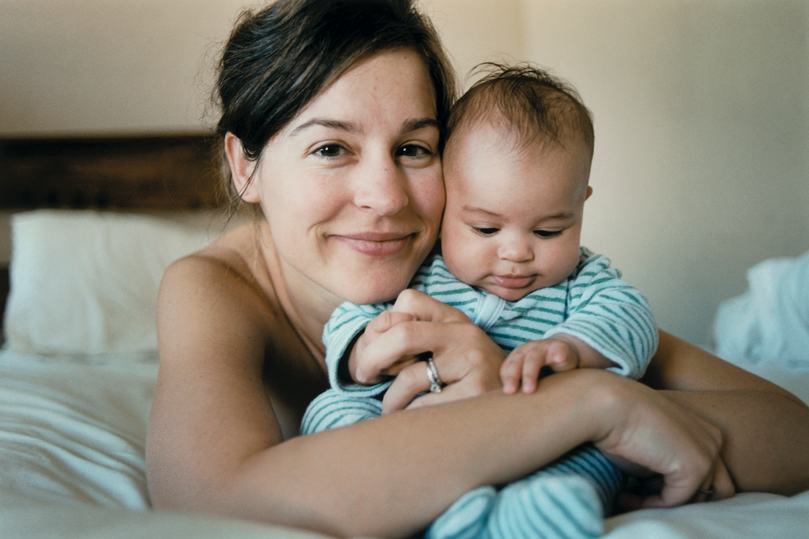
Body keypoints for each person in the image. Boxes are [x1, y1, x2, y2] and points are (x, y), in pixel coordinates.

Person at [145, 1, 809, 538]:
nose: (387, 198)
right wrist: (594, 405)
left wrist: (528, 381)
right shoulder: (215, 289)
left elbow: (791, 431)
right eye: (330, 147)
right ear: (245, 165)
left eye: (412, 147)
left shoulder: (477, 270)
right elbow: (210, 503)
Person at [302, 64, 658, 539]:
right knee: (330, 410)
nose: (516, 253)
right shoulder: (423, 270)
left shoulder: (581, 280)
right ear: (448, 202)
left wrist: (573, 350)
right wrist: (360, 352)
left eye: (550, 230)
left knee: (597, 458)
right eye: (486, 229)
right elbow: (354, 315)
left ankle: (517, 519)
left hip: (533, 443)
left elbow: (631, 314)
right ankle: (371, 501)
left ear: (581, 205)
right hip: (412, 438)